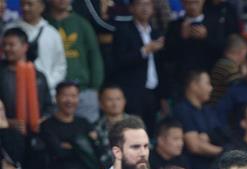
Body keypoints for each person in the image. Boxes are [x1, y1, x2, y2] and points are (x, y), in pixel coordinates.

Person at [40, 81, 101, 169]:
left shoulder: (84, 123)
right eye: (65, 95)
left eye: (73, 96)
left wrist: (71, 145)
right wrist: (81, 145)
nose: (69, 100)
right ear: (56, 98)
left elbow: (96, 151)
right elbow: (59, 152)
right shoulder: (47, 125)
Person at [106, 0, 164, 132]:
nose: (145, 8)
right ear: (131, 8)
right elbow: (119, 60)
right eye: (140, 4)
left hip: (153, 91)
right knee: (133, 130)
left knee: (151, 131)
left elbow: (161, 66)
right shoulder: (123, 30)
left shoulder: (156, 33)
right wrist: (144, 50)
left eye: (148, 4)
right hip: (132, 92)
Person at [46, 0, 104, 122]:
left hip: (83, 90)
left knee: (89, 130)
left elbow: (94, 56)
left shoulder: (82, 23)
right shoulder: (43, 24)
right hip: (51, 92)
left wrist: (95, 87)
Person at [174, 70, 227, 169]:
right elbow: (195, 146)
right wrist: (225, 152)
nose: (211, 88)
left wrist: (207, 139)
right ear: (194, 85)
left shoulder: (207, 110)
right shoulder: (183, 110)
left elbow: (217, 135)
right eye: (207, 83)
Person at [162, 0, 222, 94]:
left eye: (196, 2)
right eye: (188, 3)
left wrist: (207, 37)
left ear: (203, 1)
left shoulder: (214, 22)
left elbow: (221, 50)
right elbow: (167, 56)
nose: (192, 7)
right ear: (182, 3)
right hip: (182, 81)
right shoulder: (174, 25)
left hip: (209, 79)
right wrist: (182, 38)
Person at [7, 0, 67, 93]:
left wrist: (45, 84)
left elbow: (60, 67)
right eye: (23, 4)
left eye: (30, 4)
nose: (25, 8)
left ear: (41, 7)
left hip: (47, 92)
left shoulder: (52, 34)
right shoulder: (9, 31)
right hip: (14, 91)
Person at [0, 28, 52, 130]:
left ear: (25, 47)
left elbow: (49, 107)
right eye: (4, 45)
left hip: (36, 132)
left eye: (11, 45)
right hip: (6, 132)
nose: (7, 48)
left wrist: (43, 120)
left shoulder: (39, 76)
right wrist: (8, 122)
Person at [94, 84, 129, 169]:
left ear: (124, 101)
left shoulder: (136, 123)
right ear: (101, 103)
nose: (115, 103)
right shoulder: (96, 127)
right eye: (110, 99)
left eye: (118, 99)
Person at [209, 33, 247, 105]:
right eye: (245, 54)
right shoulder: (229, 67)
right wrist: (246, 75)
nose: (245, 58)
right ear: (241, 52)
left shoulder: (221, 63)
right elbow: (242, 90)